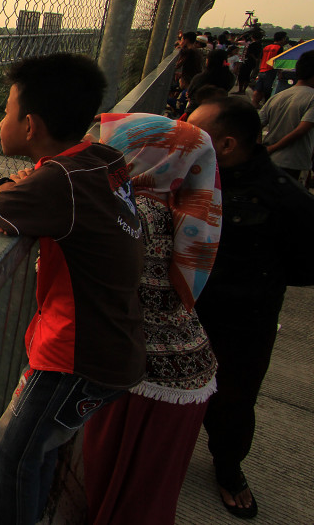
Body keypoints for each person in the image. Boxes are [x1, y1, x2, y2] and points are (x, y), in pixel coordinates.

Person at [0, 53, 145, 525]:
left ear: (29, 125)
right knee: (42, 445)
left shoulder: (55, 185)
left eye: (6, 111)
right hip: (115, 342)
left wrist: (12, 191)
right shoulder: (98, 157)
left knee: (11, 453)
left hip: (81, 357)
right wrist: (21, 186)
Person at [82, 113, 222, 525]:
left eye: (106, 148)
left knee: (113, 491)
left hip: (145, 376)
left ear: (137, 157)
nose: (95, 155)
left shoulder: (129, 210)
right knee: (148, 494)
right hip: (189, 372)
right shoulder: (175, 204)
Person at [187, 96, 314, 518]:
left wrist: (250, 285)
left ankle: (228, 469)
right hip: (186, 310)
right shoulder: (189, 177)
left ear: (225, 144)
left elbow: (304, 267)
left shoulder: (284, 198)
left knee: (234, 402)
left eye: (194, 132)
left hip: (243, 322)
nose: (183, 138)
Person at [259, 50, 314, 181]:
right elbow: (301, 130)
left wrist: (260, 148)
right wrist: (272, 148)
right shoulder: (312, 97)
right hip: (294, 163)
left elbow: (255, 124)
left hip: (269, 161)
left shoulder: (278, 96)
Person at [252, 31, 286, 107]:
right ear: (282, 39)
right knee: (268, 89)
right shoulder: (279, 48)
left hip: (262, 69)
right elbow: (278, 61)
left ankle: (254, 103)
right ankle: (266, 104)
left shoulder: (266, 47)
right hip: (270, 70)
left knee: (258, 88)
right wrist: (280, 72)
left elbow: (260, 59)